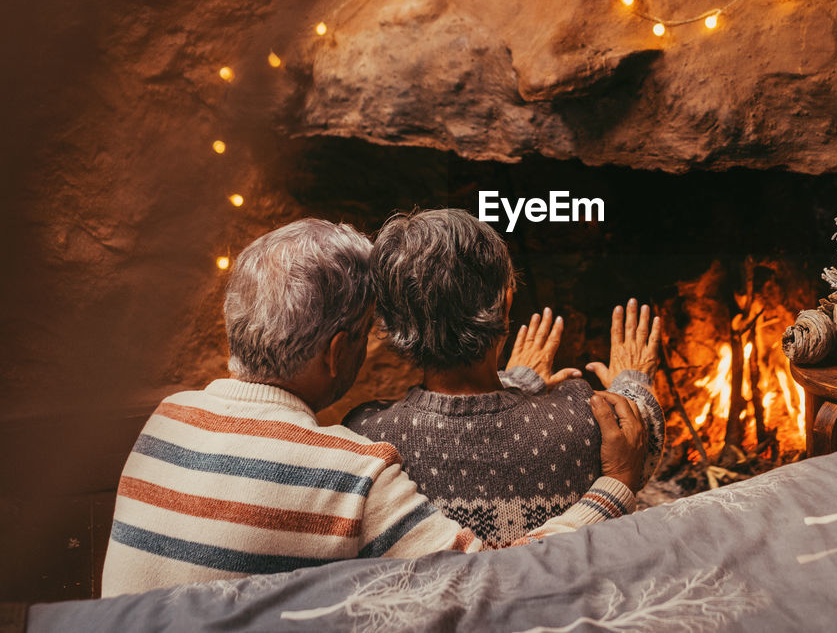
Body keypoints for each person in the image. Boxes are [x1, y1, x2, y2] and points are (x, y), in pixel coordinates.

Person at [100, 218, 646, 597]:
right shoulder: (346, 472)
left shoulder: (168, 419)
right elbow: (496, 582)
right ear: (338, 351)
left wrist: (512, 382)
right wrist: (617, 484)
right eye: (363, 334)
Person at [344, 208, 664, 546]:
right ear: (507, 303)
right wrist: (634, 380)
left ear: (393, 324)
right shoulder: (583, 417)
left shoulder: (365, 436)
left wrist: (516, 381)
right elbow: (640, 435)